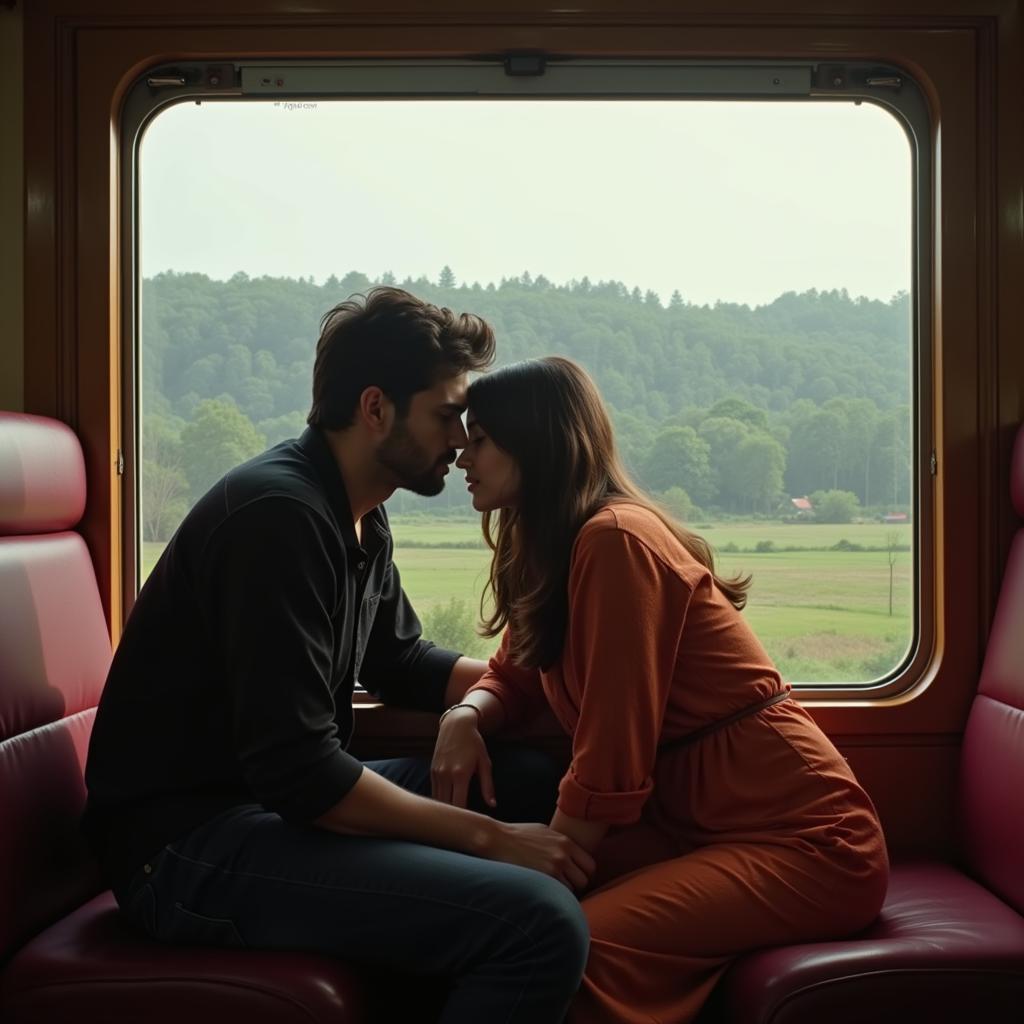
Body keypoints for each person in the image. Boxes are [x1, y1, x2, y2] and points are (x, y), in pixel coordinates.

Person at [84, 290, 592, 1024]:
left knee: (528, 781)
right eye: (448, 413)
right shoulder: (278, 519)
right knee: (539, 923)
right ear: (377, 408)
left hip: (263, 808)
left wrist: (544, 694)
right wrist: (492, 841)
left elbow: (399, 659)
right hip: (184, 850)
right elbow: (302, 772)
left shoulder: (358, 513)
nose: (463, 436)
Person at [432, 355, 890, 1024]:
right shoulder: (559, 545)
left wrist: (542, 868)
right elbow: (517, 671)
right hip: (698, 828)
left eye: (480, 440)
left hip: (806, 842)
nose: (461, 457)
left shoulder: (615, 541)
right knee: (475, 907)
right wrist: (467, 715)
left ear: (538, 443)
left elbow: (611, 757)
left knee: (559, 944)